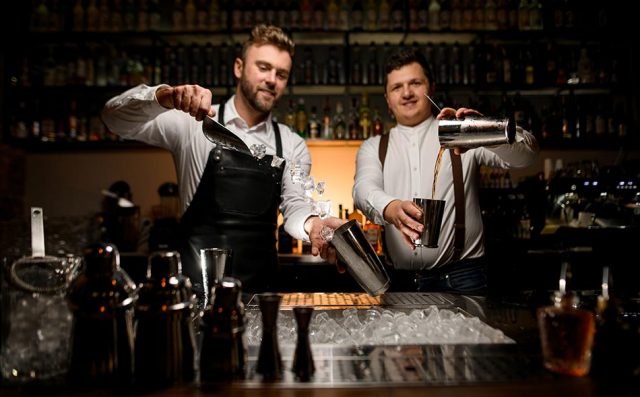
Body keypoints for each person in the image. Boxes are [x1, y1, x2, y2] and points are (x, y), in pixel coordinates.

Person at [102, 24, 343, 299]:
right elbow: (113, 119)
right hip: (196, 298)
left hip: (261, 299)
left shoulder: (291, 144)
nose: (272, 80)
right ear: (239, 68)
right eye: (263, 67)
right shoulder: (194, 123)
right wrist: (163, 97)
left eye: (281, 74)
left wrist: (312, 224)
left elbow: (295, 206)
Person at [352, 48, 539, 294]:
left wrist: (483, 131)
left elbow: (528, 154)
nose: (407, 93)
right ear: (387, 98)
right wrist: (391, 208)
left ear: (432, 88)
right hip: (400, 283)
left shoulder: (461, 133)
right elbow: (362, 190)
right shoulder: (374, 147)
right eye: (397, 87)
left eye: (415, 83)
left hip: (463, 279)